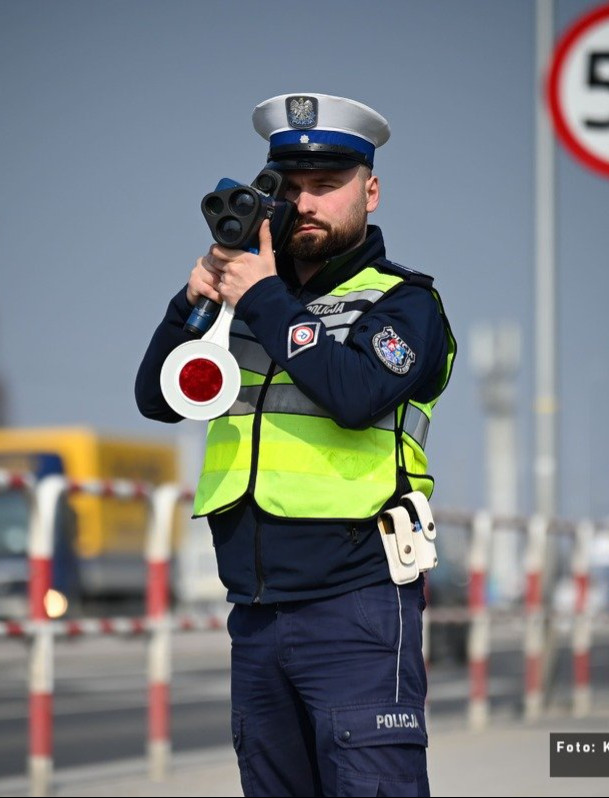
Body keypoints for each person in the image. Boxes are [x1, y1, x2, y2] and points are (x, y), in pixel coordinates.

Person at [135, 92, 456, 797]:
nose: (303, 203)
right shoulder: (243, 300)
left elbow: (354, 394)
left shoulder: (403, 303)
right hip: (253, 612)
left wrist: (261, 297)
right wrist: (192, 301)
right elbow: (157, 398)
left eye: (325, 186)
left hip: (357, 606)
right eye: (288, 186)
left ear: (368, 192)